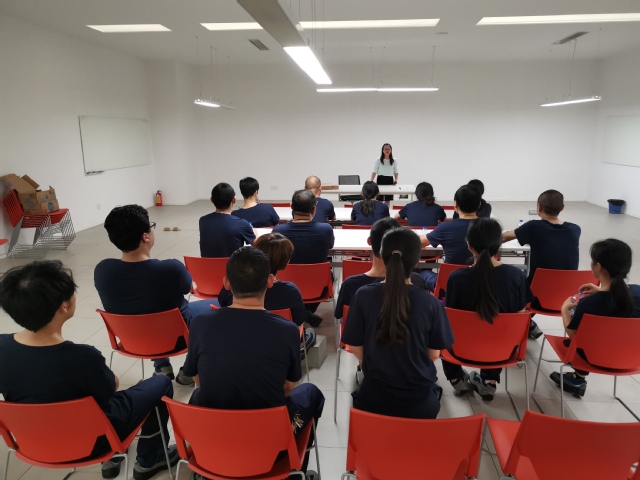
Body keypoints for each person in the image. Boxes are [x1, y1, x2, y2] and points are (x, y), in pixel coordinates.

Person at [0, 261, 178, 480]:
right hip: (96, 442)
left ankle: (115, 459)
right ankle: (150, 459)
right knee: (161, 383)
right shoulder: (83, 357)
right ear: (63, 306)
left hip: (31, 440)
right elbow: (109, 391)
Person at [182, 247, 324, 477]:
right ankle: (295, 468)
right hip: (270, 445)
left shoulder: (200, 323)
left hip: (215, 438)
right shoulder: (288, 330)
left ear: (226, 283)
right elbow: (289, 387)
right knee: (311, 393)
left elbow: (197, 378)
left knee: (199, 395)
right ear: (270, 281)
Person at [341, 228, 454, 419]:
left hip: (372, 401)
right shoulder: (431, 303)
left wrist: (373, 364)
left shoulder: (363, 296)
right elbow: (434, 354)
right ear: (417, 261)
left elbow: (354, 346)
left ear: (382, 257)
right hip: (420, 405)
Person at [95, 205, 211, 385]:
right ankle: (189, 371)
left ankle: (161, 367)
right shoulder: (171, 268)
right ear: (145, 236)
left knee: (147, 310)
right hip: (178, 339)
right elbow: (188, 288)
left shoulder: (102, 270)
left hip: (132, 339)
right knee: (218, 305)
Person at [441, 218, 528, 401]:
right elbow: (521, 316)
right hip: (502, 351)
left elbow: (449, 320)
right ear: (499, 246)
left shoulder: (456, 278)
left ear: (469, 245)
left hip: (461, 350)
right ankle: (489, 381)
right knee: (500, 329)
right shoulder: (516, 276)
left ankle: (457, 378)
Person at [335, 218, 428, 384]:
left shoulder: (352, 285)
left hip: (367, 352)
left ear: (370, 242)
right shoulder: (418, 282)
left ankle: (364, 366)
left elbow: (341, 318)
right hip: (408, 355)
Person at [552, 239, 640, 397]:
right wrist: (601, 291)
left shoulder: (588, 303)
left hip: (593, 357)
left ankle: (577, 378)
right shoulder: (637, 293)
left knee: (578, 339)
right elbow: (618, 306)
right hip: (632, 358)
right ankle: (577, 378)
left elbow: (574, 336)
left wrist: (564, 309)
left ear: (598, 266)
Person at [502, 189, 581, 339]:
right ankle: (529, 324)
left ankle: (519, 325)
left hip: (537, 297)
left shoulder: (533, 227)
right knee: (539, 284)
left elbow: (505, 237)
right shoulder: (575, 229)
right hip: (567, 298)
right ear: (562, 207)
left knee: (510, 283)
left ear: (538, 207)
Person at [218, 233, 315, 353]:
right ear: (285, 262)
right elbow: (298, 321)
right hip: (279, 342)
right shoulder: (290, 291)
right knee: (309, 333)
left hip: (239, 338)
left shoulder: (234, 284)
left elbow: (222, 303)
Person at [273, 189, 335, 326]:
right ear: (314, 210)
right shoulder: (326, 229)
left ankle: (301, 312)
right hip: (318, 286)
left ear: (291, 207)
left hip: (286, 284)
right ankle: (305, 312)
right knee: (329, 274)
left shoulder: (278, 231)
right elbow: (330, 245)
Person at [419, 185, 481, 292]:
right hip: (480, 284)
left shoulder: (445, 228)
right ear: (479, 205)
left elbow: (420, 242)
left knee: (423, 273)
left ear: (455, 205)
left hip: (449, 286)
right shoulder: (490, 227)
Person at [199, 182, 256, 258]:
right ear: (234, 200)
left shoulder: (203, 221)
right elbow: (257, 245)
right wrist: (254, 232)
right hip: (233, 265)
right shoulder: (242, 224)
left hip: (207, 265)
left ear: (211, 200)